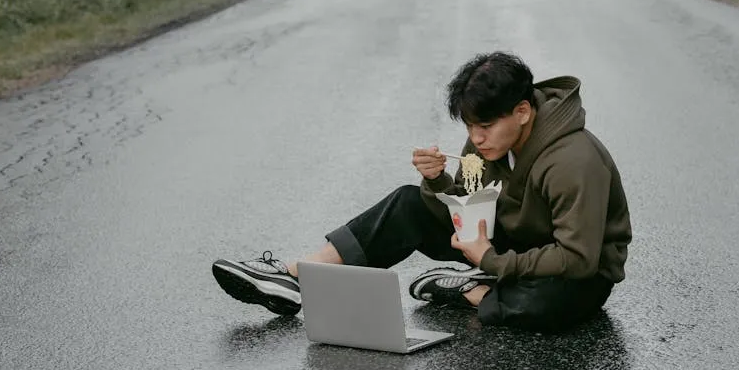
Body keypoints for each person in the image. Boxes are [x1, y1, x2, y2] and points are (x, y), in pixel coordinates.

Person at [210, 51, 632, 332]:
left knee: (550, 309)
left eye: (484, 127)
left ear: (522, 112)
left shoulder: (574, 160)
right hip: (508, 245)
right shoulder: (486, 145)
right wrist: (436, 182)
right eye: (469, 127)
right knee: (408, 203)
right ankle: (297, 276)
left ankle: (470, 288)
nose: (476, 138)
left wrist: (490, 259)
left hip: (579, 271)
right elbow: (465, 204)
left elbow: (578, 259)